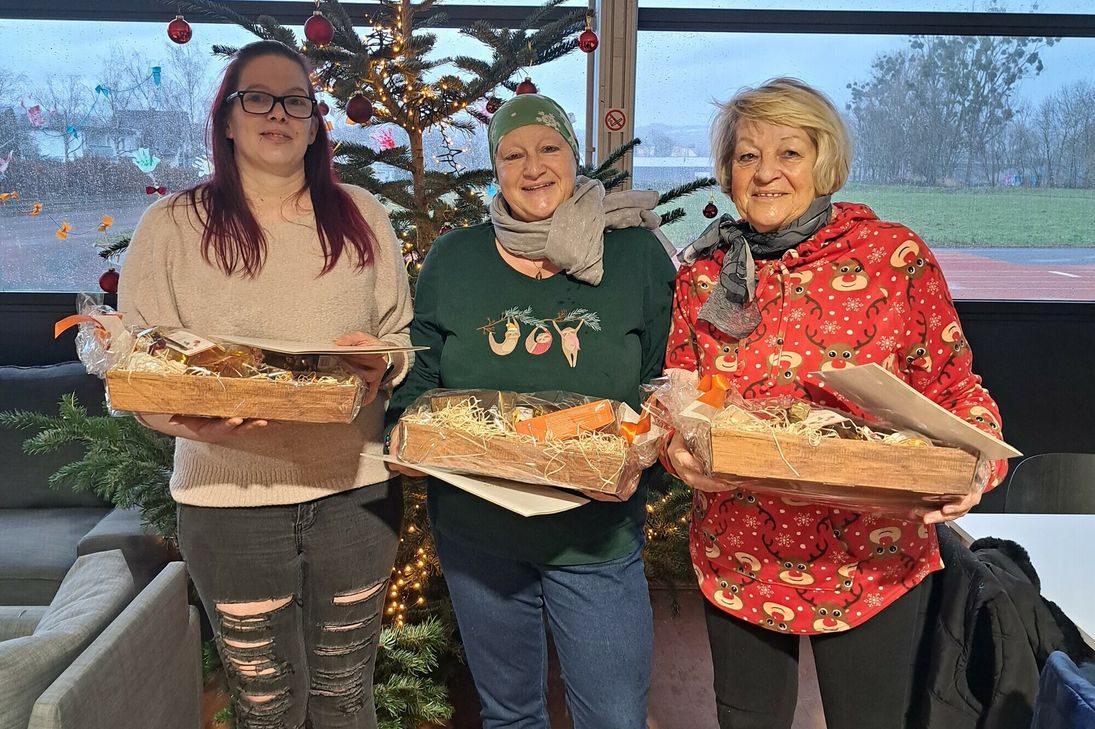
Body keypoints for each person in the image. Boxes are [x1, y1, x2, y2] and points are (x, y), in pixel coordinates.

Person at [663, 77, 1008, 729]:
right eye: (745, 156)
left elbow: (954, 381)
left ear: (823, 161)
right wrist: (677, 450)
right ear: (726, 173)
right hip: (741, 548)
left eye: (787, 152)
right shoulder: (705, 272)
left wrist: (974, 462)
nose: (765, 172)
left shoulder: (890, 256)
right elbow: (682, 392)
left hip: (871, 555)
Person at [118, 40, 412, 729]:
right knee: (264, 705)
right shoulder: (170, 227)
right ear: (226, 117)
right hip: (225, 501)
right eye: (258, 97)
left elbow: (396, 337)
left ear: (314, 123)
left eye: (295, 101)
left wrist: (381, 364)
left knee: (345, 695)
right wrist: (184, 422)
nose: (277, 113)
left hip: (357, 491)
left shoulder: (362, 215)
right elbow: (135, 371)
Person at [385, 93, 676, 729]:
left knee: (616, 717)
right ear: (496, 168)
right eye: (513, 154)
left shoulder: (635, 256)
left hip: (594, 533)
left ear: (574, 156)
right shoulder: (455, 260)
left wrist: (644, 460)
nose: (534, 166)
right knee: (510, 713)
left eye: (549, 148)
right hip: (478, 531)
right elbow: (422, 369)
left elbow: (663, 378)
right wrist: (404, 432)